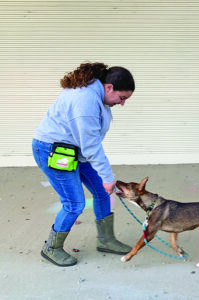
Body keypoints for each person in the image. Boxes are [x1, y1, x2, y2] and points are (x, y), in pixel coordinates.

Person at [32, 62, 135, 267]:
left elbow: (88, 143)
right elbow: (90, 144)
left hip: (74, 149)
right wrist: (107, 176)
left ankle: (106, 240)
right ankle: (51, 248)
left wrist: (105, 180)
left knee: (102, 191)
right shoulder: (85, 100)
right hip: (53, 151)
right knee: (74, 203)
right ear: (108, 88)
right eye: (122, 98)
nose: (122, 103)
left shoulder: (96, 94)